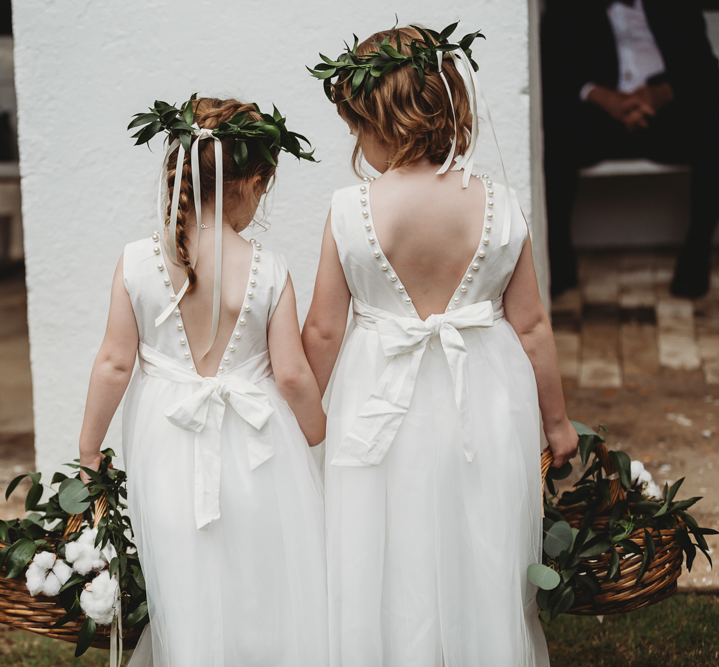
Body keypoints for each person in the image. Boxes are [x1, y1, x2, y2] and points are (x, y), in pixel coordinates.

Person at [303, 25, 578, 666]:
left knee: (386, 538)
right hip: (486, 390)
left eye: (355, 129)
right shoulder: (500, 203)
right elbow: (532, 325)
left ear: (377, 121)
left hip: (377, 390)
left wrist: (303, 415)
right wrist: (556, 421)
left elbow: (322, 330)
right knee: (482, 533)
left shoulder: (352, 210)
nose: (355, 144)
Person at [76, 96, 329, 666]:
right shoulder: (269, 268)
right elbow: (290, 374)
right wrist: (318, 436)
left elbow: (114, 363)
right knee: (260, 575)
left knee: (184, 572)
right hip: (262, 450)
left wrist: (90, 449)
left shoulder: (137, 260)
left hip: (167, 444)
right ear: (254, 181)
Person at [542, 0, 719, 298]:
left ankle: (695, 255)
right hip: (597, 117)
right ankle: (557, 263)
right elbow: (551, 68)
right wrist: (601, 97)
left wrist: (660, 93)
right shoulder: (568, 7)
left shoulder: (675, 6)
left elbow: (704, 67)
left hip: (663, 115)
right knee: (552, 130)